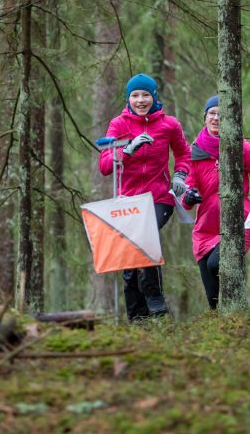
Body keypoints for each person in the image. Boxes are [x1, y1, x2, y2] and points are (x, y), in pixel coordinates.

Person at [98, 73, 191, 321]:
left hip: (159, 198)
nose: (141, 100)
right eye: (135, 95)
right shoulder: (119, 125)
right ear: (128, 99)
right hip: (127, 200)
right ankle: (137, 315)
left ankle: (156, 302)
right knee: (129, 259)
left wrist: (180, 176)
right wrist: (127, 150)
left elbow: (184, 154)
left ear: (154, 96)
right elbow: (105, 166)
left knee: (145, 232)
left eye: (145, 95)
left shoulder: (169, 125)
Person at [182, 95, 250, 309]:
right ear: (205, 117)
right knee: (212, 296)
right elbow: (186, 190)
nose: (216, 118)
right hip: (205, 228)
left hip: (241, 222)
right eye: (212, 113)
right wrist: (187, 196)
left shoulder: (242, 148)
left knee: (217, 264)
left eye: (221, 114)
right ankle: (225, 327)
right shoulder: (194, 152)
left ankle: (239, 307)